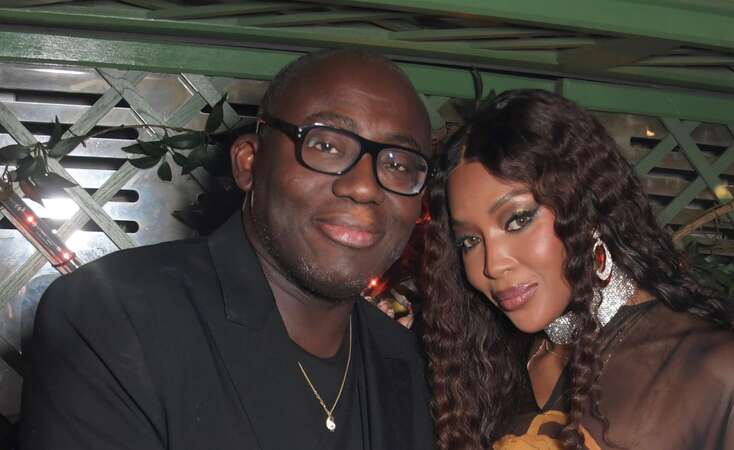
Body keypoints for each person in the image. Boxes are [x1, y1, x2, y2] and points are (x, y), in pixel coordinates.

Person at [20, 49, 436, 450]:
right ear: (249, 164)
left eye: (399, 164)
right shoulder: (117, 316)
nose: (364, 186)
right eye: (325, 145)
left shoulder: (406, 362)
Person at [422, 89, 734, 450]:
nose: (493, 264)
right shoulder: (486, 370)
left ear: (585, 207)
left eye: (517, 220)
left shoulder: (711, 370)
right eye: (469, 241)